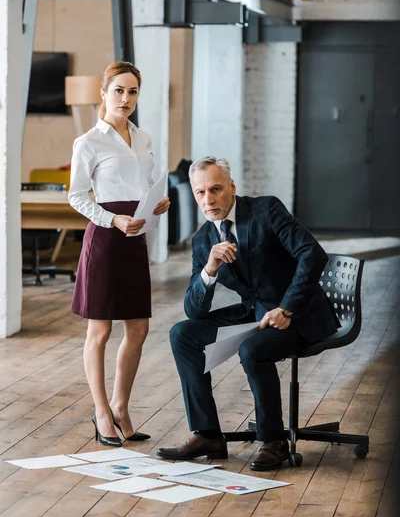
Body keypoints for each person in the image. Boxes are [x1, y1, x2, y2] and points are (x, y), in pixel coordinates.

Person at [157, 156, 338, 470]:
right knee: (182, 334)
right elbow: (194, 309)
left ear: (232, 187)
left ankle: (274, 441)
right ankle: (208, 434)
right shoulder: (203, 241)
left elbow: (312, 253)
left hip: (300, 312)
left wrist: (287, 309)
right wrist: (210, 269)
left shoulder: (266, 210)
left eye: (215, 189)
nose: (208, 199)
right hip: (255, 312)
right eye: (200, 192)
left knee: (251, 350)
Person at [69, 61, 170, 447]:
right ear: (104, 93)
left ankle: (121, 407)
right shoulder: (89, 142)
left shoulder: (143, 139)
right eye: (119, 91)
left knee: (139, 328)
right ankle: (100, 412)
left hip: (135, 238)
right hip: (106, 240)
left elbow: (144, 186)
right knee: (101, 330)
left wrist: (156, 204)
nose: (125, 99)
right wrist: (112, 220)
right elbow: (77, 196)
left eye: (132, 92)